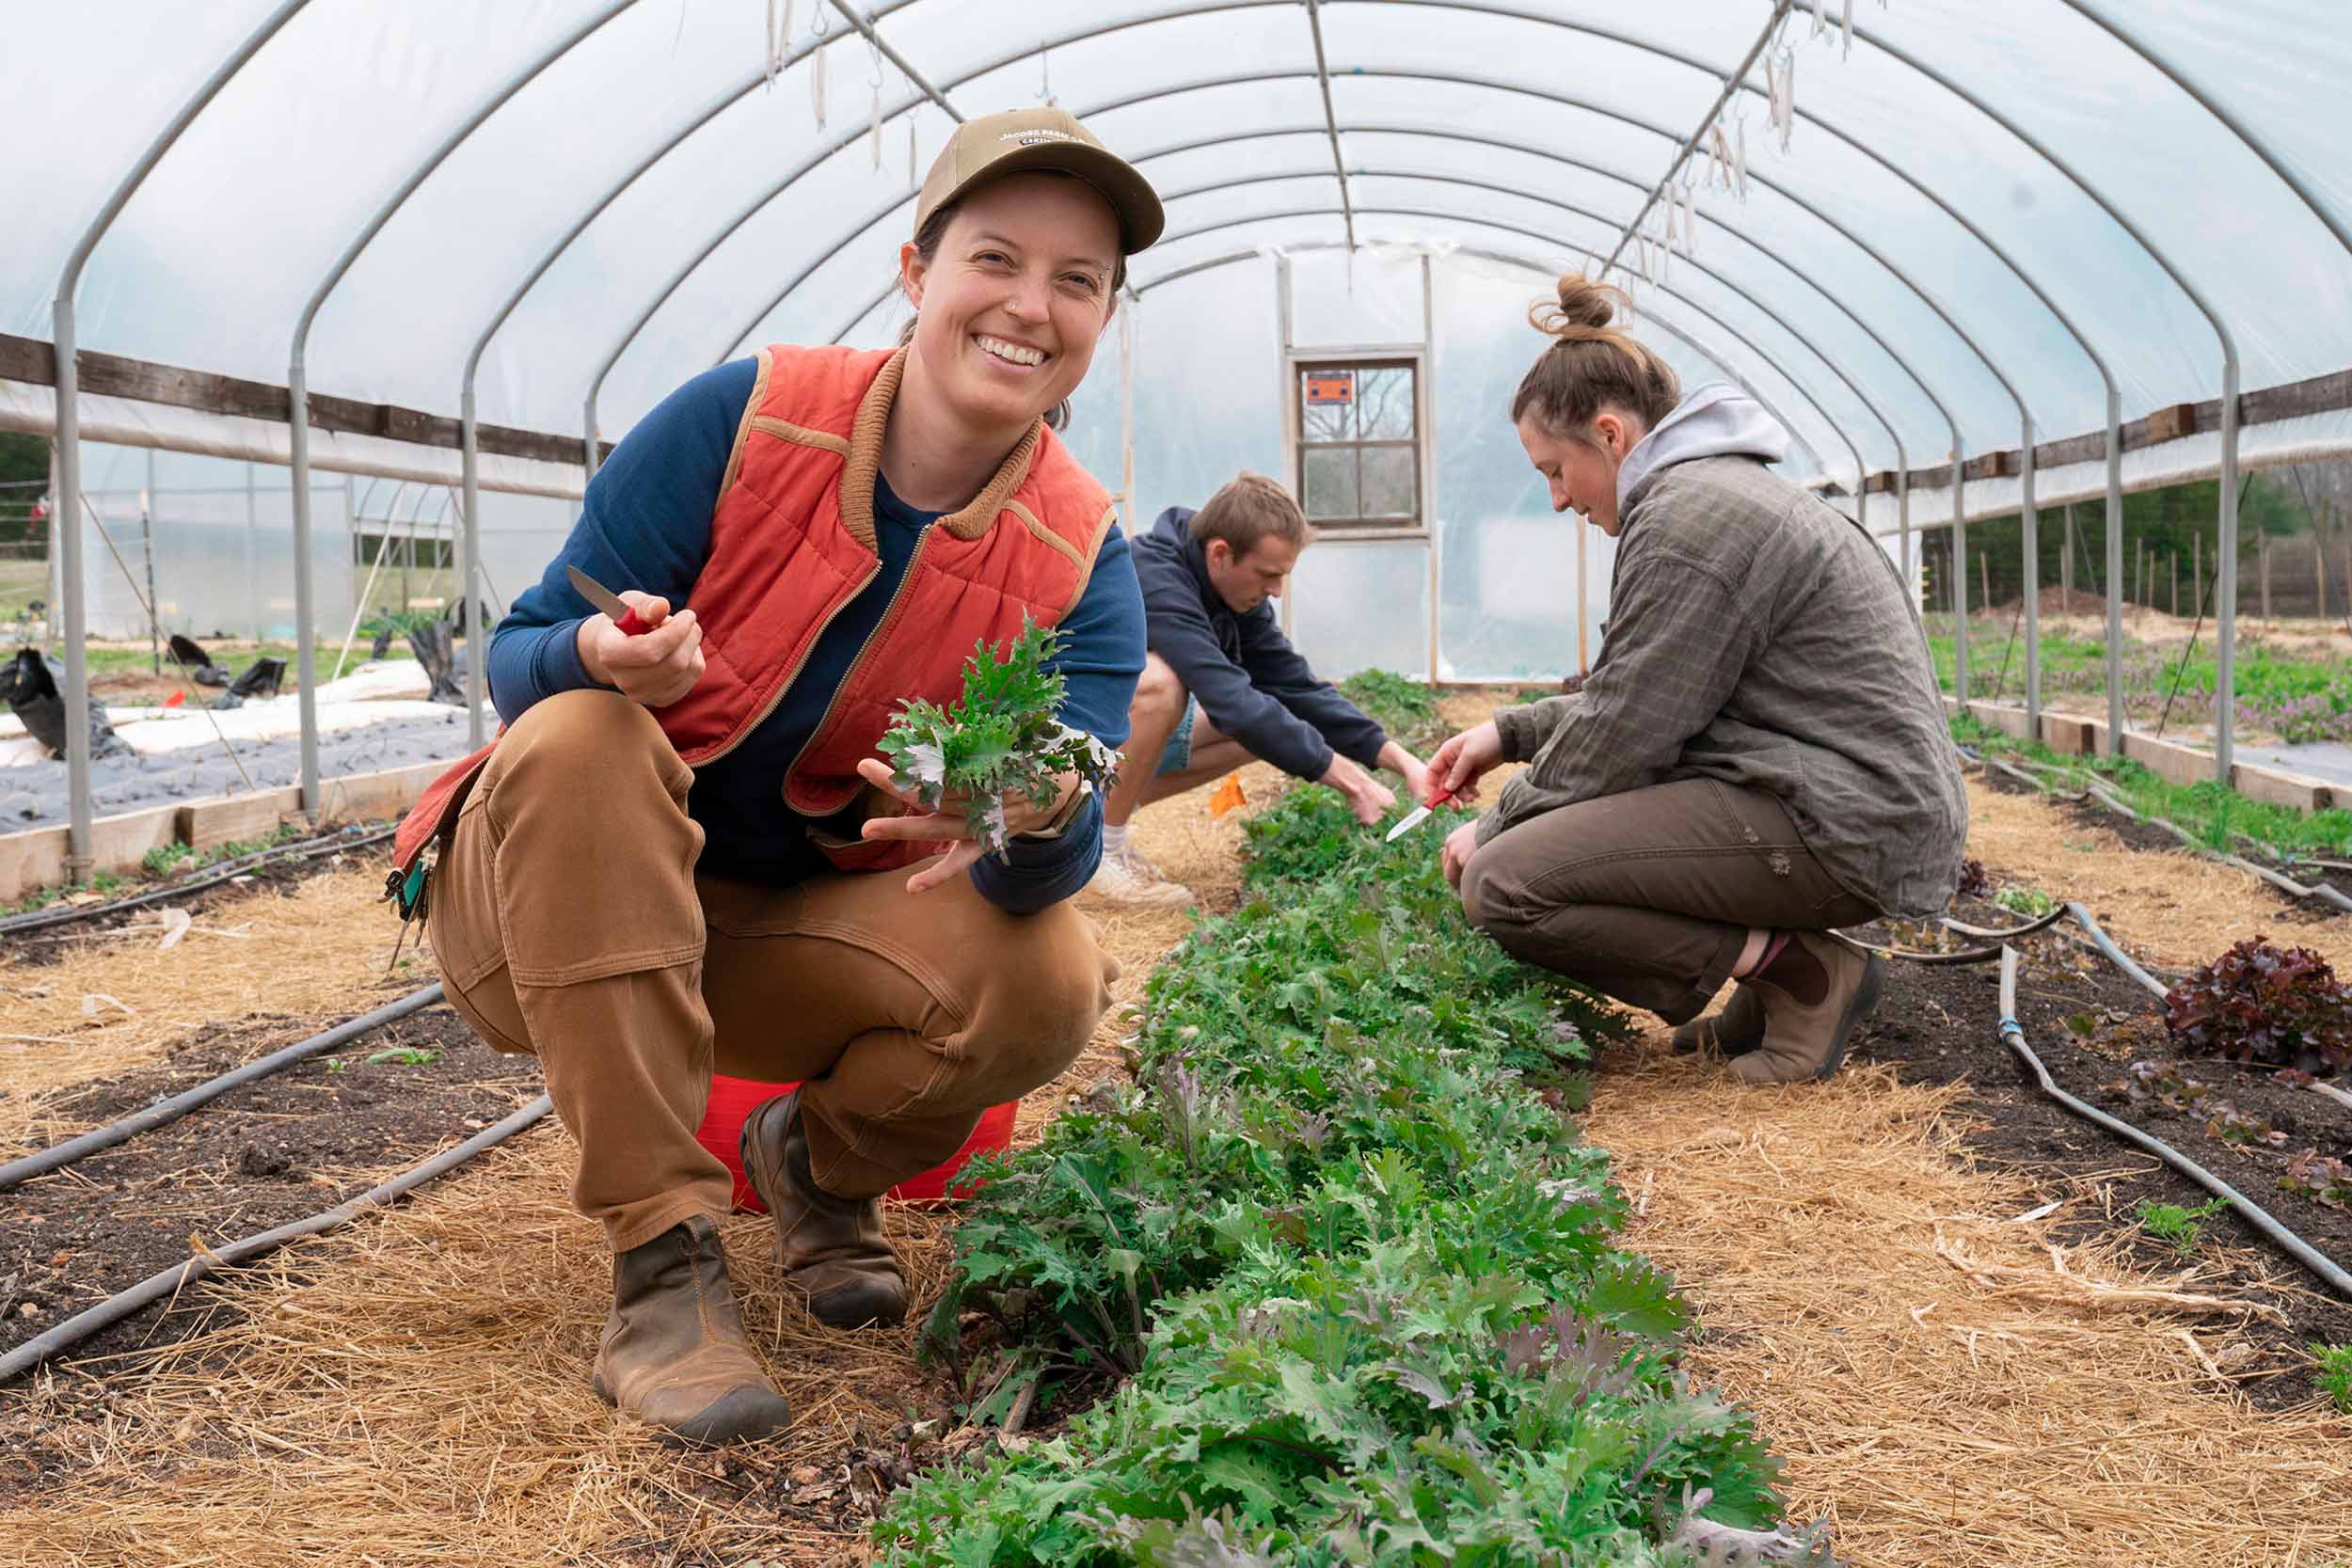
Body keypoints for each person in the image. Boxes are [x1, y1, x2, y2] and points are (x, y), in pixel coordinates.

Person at [386, 108, 1162, 1447]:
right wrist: (597, 653)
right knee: (580, 734)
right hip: (548, 913)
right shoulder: (742, 422)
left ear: (1102, 313)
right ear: (917, 274)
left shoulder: (1081, 555)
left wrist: (1035, 810)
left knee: (1051, 973)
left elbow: (1065, 835)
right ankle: (663, 1263)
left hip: (775, 936)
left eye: (1077, 280)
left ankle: (806, 1164)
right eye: (996, 259)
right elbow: (515, 656)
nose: (1031, 307)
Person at [1430, 276, 1966, 1086]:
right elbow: (1654, 687)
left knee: (1507, 882)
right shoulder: (1705, 496)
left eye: (1555, 470)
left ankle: (1805, 978)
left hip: (1845, 819)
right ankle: (1768, 986)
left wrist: (1497, 825)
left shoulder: (1690, 520)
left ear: (1608, 434)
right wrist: (1506, 735)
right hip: (1835, 797)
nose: (1555, 498)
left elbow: (1623, 732)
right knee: (1569, 835)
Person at [1088, 472, 1432, 906]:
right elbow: (1228, 698)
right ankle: (1099, 851)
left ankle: (1101, 820)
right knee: (1161, 685)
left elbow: (1296, 688)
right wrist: (1353, 783)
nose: (1276, 591)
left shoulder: (1233, 593)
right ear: (1220, 554)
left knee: (1264, 725)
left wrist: (1404, 762)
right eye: (1268, 575)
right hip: (1053, 752)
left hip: (1104, 749)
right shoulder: (1155, 576)